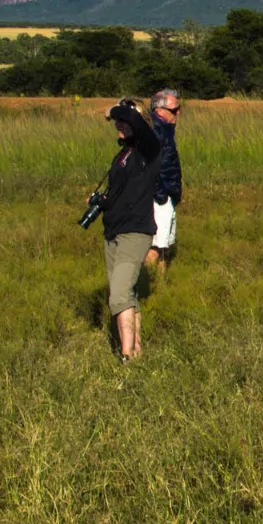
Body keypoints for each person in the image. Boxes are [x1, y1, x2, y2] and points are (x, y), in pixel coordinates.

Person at [98, 98, 163, 359]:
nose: (119, 124)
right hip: (114, 231)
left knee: (119, 295)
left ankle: (124, 355)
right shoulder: (124, 153)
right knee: (128, 294)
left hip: (134, 232)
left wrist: (113, 109)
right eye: (117, 121)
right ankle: (136, 351)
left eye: (124, 120)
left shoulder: (150, 146)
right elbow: (120, 191)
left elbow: (135, 119)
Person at [145, 89, 183, 268]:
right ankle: (138, 282)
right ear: (159, 111)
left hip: (168, 194)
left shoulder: (166, 129)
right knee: (156, 246)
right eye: (174, 110)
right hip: (160, 197)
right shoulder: (155, 130)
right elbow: (150, 166)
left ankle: (161, 286)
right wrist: (161, 194)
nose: (178, 113)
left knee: (165, 245)